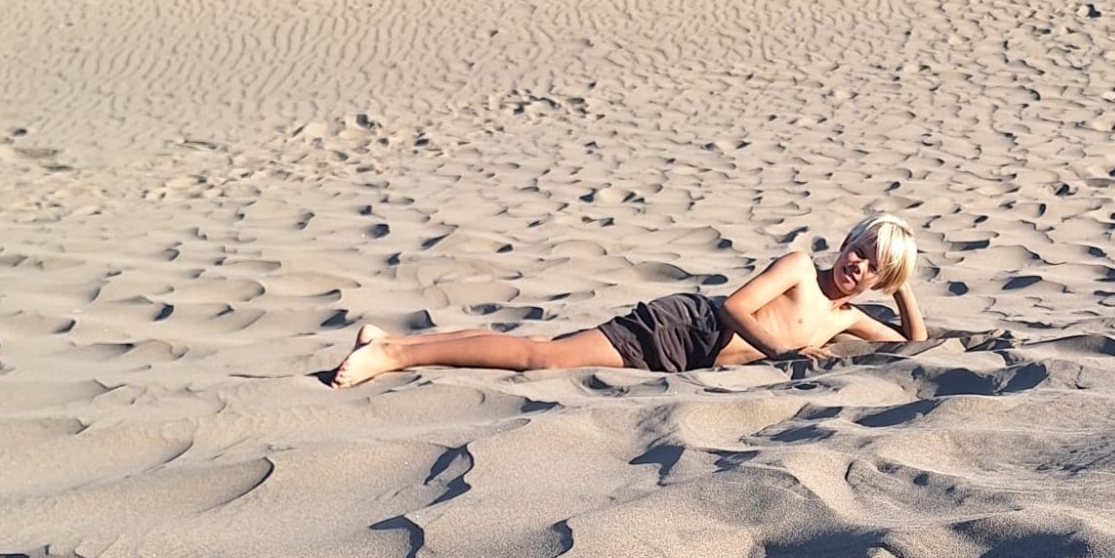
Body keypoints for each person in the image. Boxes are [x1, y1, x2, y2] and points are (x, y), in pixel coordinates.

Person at [330, 213, 926, 386]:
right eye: (860, 249)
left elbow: (914, 346)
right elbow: (736, 309)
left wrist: (903, 291)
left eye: (875, 266)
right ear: (844, 241)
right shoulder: (800, 268)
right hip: (684, 329)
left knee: (547, 350)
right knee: (544, 358)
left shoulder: (845, 318)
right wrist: (786, 354)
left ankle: (390, 343)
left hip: (687, 361)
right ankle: (396, 354)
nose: (859, 266)